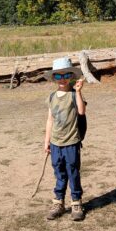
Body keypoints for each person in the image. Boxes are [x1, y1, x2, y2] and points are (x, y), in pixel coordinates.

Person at [44, 56, 86, 221]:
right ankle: (58, 202)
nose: (62, 79)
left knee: (73, 172)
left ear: (72, 77)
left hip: (71, 142)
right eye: (58, 76)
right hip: (55, 143)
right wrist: (46, 140)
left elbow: (81, 112)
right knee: (59, 173)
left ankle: (76, 203)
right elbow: (50, 119)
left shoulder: (74, 95)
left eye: (66, 75)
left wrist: (79, 92)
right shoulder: (52, 97)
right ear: (54, 78)